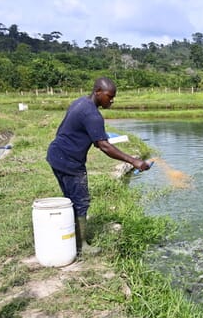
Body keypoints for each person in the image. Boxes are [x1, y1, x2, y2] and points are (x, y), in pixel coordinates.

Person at [46, 77, 151, 255]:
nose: (111, 100)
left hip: (56, 155)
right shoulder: (93, 115)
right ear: (98, 92)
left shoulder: (80, 102)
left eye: (113, 97)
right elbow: (104, 146)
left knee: (70, 199)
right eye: (109, 96)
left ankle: (70, 236)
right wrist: (134, 161)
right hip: (69, 161)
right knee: (81, 201)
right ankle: (82, 246)